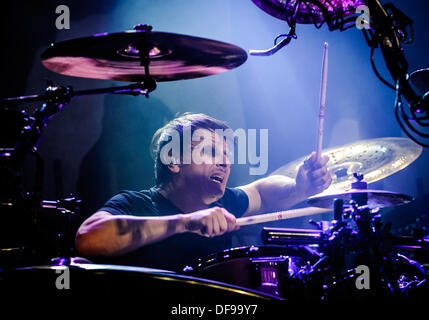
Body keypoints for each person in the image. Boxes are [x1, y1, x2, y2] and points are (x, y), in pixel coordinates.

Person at [75, 113, 331, 272]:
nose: (224, 162)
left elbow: (262, 192)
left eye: (226, 155)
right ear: (174, 160)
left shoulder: (225, 202)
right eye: (210, 152)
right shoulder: (135, 205)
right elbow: (88, 238)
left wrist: (300, 188)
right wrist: (186, 223)